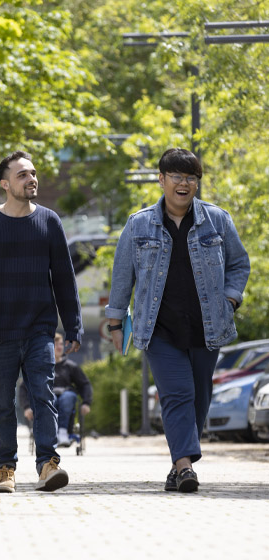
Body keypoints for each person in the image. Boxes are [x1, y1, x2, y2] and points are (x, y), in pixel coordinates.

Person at [106, 148, 250, 493]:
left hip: (207, 325)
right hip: (159, 328)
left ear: (196, 184)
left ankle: (176, 465)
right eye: (177, 176)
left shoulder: (218, 220)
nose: (184, 183)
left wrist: (230, 299)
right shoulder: (138, 223)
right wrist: (114, 322)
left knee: (200, 396)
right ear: (161, 180)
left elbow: (239, 264)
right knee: (177, 393)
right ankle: (186, 467)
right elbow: (122, 277)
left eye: (191, 178)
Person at [0, 150, 83, 493]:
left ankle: (47, 464)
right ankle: (6, 468)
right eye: (22, 175)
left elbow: (64, 278)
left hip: (40, 328)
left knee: (42, 394)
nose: (32, 179)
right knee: (2, 401)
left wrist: (73, 325)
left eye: (33, 173)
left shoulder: (49, 221)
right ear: (5, 184)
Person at [19, 333, 92, 447]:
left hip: (66, 396)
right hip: (49, 397)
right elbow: (24, 388)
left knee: (68, 397)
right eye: (55, 344)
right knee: (49, 399)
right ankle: (51, 432)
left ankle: (62, 432)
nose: (59, 347)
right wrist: (27, 407)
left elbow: (84, 384)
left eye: (61, 344)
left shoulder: (70, 366)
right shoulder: (40, 367)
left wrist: (86, 402)